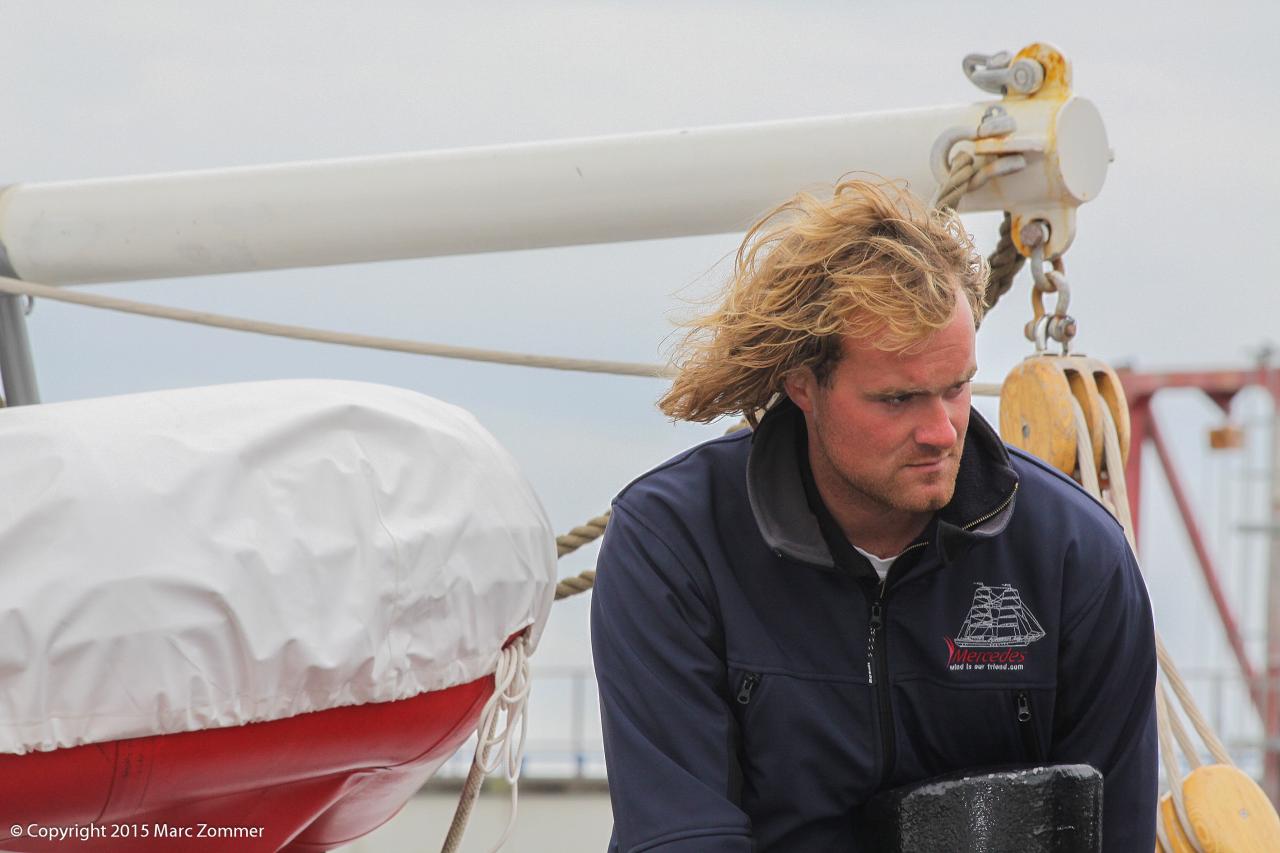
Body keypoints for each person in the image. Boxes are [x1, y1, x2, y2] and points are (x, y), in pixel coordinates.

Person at [590, 179, 1156, 852]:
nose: (943, 431)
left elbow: (1113, 832)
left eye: (955, 388)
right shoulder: (676, 546)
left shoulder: (1074, 557)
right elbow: (680, 838)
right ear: (803, 383)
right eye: (898, 399)